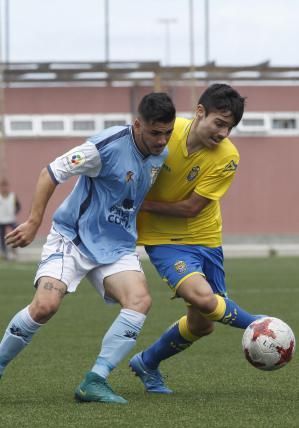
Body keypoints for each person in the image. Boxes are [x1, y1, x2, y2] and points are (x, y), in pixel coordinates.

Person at [1, 92, 176, 404]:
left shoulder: (161, 153)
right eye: (155, 133)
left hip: (117, 246)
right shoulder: (104, 146)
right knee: (45, 306)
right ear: (137, 125)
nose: (162, 141)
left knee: (139, 301)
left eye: (167, 133)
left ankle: (95, 380)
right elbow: (50, 172)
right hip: (74, 239)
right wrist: (33, 221)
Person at [129, 84, 262, 394]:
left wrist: (142, 203)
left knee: (203, 323)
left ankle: (147, 362)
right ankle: (259, 324)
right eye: (219, 123)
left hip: (207, 238)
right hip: (165, 241)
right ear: (200, 112)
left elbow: (191, 208)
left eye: (230, 127)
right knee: (204, 298)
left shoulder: (228, 157)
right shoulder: (165, 135)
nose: (224, 133)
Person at [0, 178, 21, 260]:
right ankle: (4, 253)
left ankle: (14, 250)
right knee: (2, 237)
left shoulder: (13, 196)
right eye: (2, 186)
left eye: (5, 186)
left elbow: (18, 206)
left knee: (16, 234)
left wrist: (14, 212)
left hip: (11, 219)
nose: (4, 188)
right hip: (1, 220)